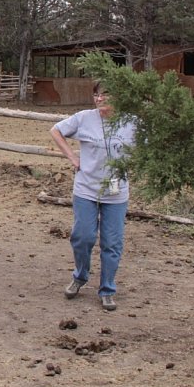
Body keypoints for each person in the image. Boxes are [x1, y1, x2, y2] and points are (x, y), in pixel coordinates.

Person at [49, 82, 137, 311]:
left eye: (105, 94)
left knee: (112, 242)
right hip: (86, 189)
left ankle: (107, 289)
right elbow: (56, 131)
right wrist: (73, 158)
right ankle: (80, 276)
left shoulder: (131, 122)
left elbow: (151, 145)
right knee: (83, 236)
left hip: (116, 193)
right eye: (96, 95)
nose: (99, 99)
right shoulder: (84, 118)